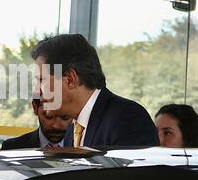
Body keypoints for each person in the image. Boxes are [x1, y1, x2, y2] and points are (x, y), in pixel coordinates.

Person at [31, 33, 159, 148]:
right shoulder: (72, 130)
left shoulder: (128, 119)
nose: (36, 91)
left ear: (70, 79)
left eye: (42, 80)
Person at [1, 99, 73, 150]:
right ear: (35, 107)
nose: (56, 125)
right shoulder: (12, 149)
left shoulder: (82, 147)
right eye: (49, 117)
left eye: (65, 117)